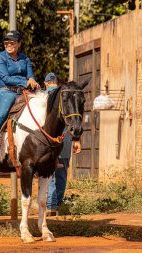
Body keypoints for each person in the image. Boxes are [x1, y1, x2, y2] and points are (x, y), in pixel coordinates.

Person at [0, 30, 40, 162]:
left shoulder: (25, 58)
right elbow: (5, 78)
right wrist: (25, 82)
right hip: (6, 91)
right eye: (6, 43)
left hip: (24, 91)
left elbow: (30, 74)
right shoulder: (0, 58)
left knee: (42, 106)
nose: (9, 45)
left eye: (12, 42)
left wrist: (32, 80)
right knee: (1, 115)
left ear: (19, 44)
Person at [43, 72, 82, 215]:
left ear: (46, 83)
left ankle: (50, 205)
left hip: (49, 140)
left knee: (49, 173)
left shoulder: (43, 96)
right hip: (65, 139)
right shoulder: (66, 96)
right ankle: (58, 204)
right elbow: (73, 120)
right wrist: (76, 139)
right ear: (58, 84)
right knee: (62, 172)